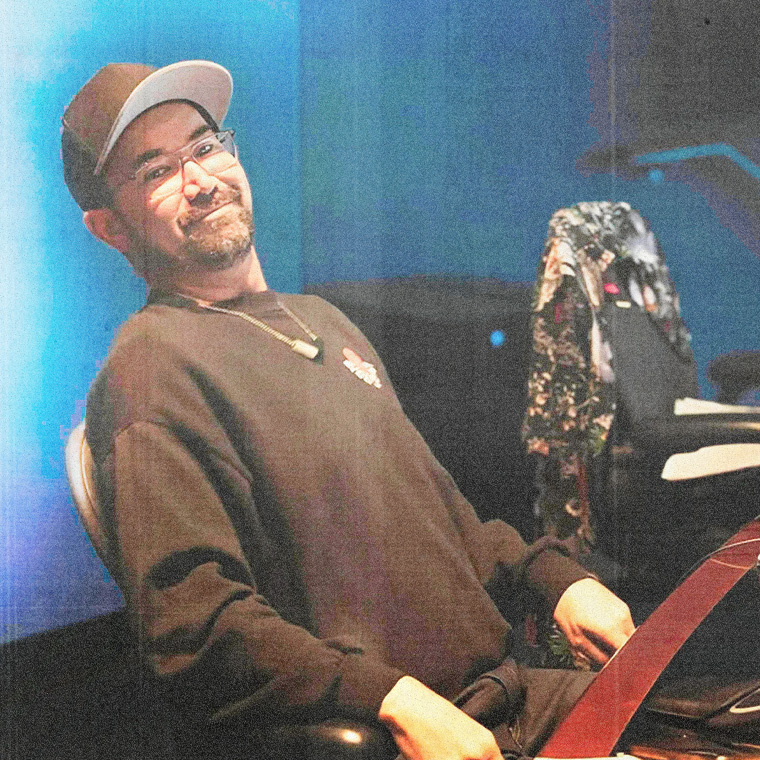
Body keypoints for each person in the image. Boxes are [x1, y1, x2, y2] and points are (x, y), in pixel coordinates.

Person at [61, 60, 635, 760]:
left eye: (205, 146)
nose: (201, 179)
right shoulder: (151, 367)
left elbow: (451, 521)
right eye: (155, 172)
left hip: (513, 697)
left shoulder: (323, 322)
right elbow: (197, 625)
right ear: (108, 228)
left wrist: (561, 581)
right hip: (412, 734)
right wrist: (390, 698)